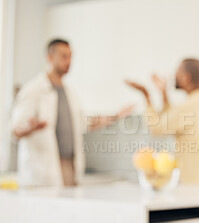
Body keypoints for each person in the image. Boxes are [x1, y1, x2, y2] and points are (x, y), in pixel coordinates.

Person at [12, 39, 133, 187]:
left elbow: (85, 123)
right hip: (42, 172)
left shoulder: (70, 93)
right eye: (64, 56)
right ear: (50, 58)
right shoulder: (33, 90)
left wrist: (117, 116)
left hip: (69, 168)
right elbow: (14, 131)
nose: (69, 61)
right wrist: (29, 128)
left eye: (70, 56)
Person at [126, 58, 199, 186]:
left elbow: (157, 128)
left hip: (195, 187)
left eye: (177, 73)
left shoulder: (192, 105)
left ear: (186, 77)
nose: (173, 76)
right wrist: (163, 93)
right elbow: (173, 119)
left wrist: (146, 95)